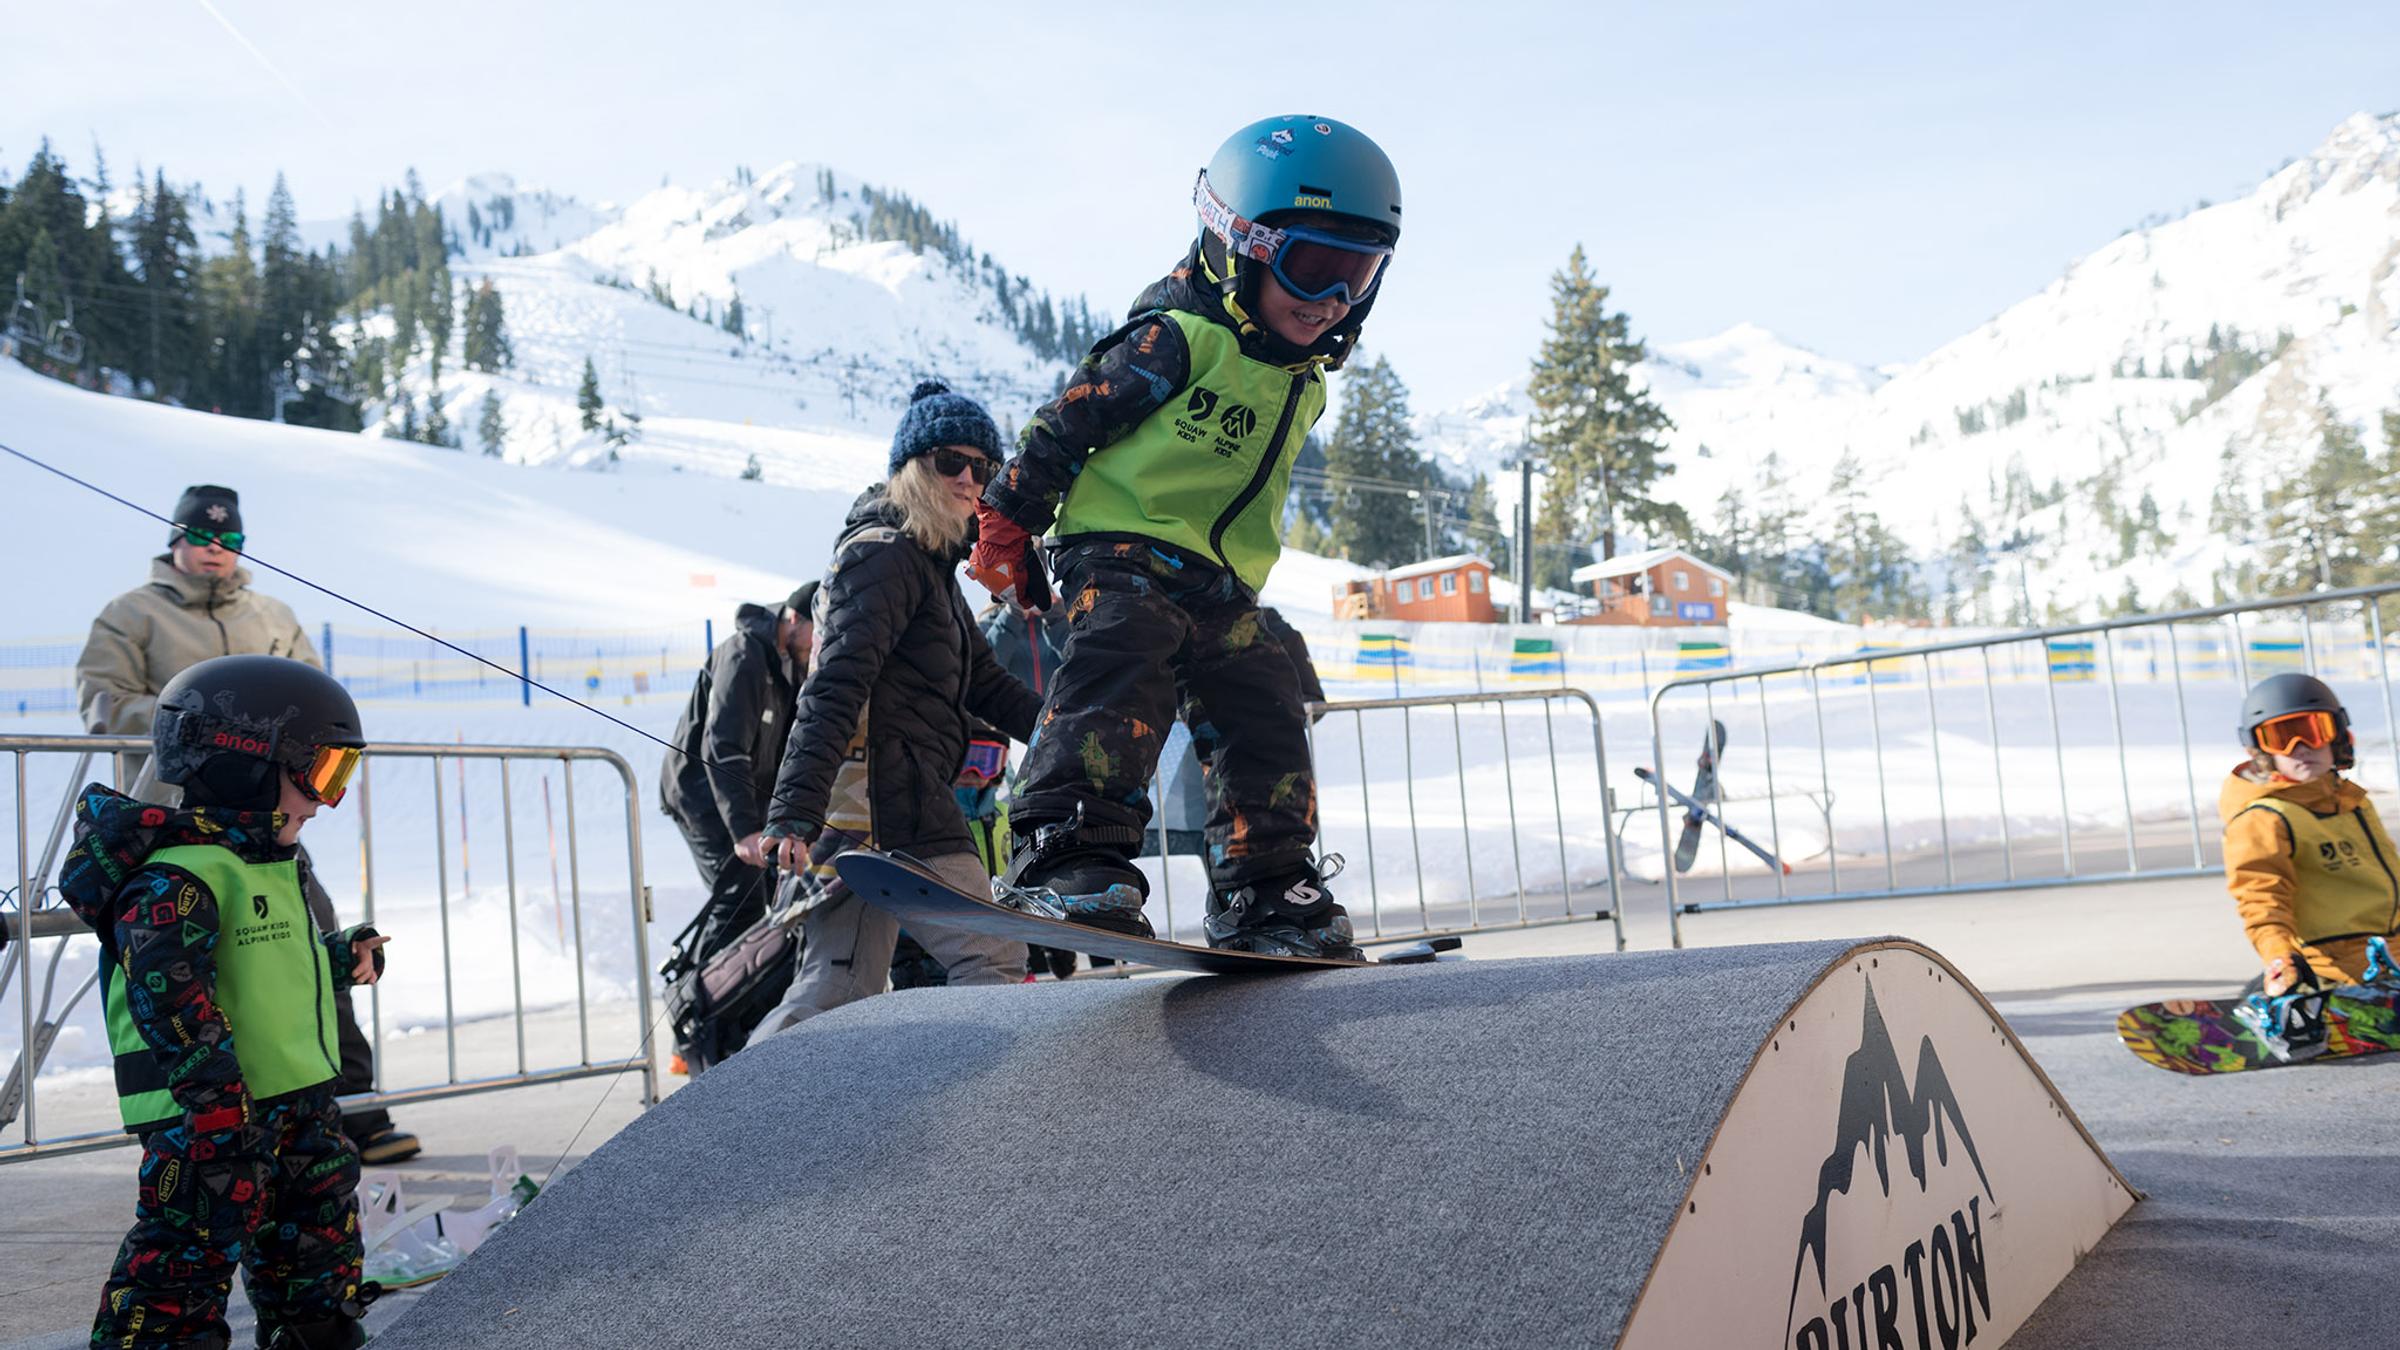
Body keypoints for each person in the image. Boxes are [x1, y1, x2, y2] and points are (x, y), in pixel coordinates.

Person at [969, 115, 1400, 959]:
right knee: (1125, 657)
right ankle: (1068, 846)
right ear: (1236, 243)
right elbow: (1066, 424)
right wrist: (1010, 519)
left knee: (1263, 696)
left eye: (1358, 275)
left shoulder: (1299, 379)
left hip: (1219, 581)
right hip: (1122, 549)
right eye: (1312, 268)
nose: (1331, 302)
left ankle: (1266, 881)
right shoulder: (1178, 338)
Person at [72, 483, 420, 1165]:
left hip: (265, 825)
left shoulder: (272, 613)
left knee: (310, 950)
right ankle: (206, 1122)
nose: (214, 551)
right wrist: (205, 727)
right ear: (174, 538)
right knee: (186, 974)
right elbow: (104, 702)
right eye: (201, 537)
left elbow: (311, 702)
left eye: (229, 541)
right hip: (176, 819)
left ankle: (351, 1106)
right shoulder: (131, 614)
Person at [57, 655, 387, 1350]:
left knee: (317, 1247)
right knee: (185, 1260)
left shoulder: (265, 860)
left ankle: (316, 1329)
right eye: (322, 774)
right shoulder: (178, 876)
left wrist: (340, 952)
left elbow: (260, 966)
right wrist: (215, 1104)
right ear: (246, 761)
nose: (327, 800)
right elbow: (170, 995)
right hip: (206, 1118)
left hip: (296, 1100)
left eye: (341, 777)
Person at [752, 380, 1044, 1032]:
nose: (970, 479)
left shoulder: (925, 565)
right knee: (991, 955)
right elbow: (835, 686)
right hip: (892, 807)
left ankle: (742, 1119)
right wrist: (793, 812)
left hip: (871, 808)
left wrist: (1064, 733)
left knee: (838, 987)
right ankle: (984, 1117)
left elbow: (986, 685)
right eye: (951, 462)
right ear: (912, 469)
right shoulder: (883, 556)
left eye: (984, 467)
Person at [657, 584, 815, 1069]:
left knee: (761, 900)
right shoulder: (745, 653)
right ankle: (693, 1024)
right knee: (737, 893)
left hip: (746, 802)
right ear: (792, 618)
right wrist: (745, 829)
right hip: (704, 797)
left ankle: (733, 1020)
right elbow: (721, 745)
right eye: (815, 631)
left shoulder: (790, 666)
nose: (817, 642)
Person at [2223, 673, 2400, 996]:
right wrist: (2281, 957)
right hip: (2334, 966)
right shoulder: (2264, 818)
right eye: (2282, 738)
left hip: (2389, 955)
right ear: (2262, 751)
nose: (2300, 748)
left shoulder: (2353, 803)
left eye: (2312, 731)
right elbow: (2262, 899)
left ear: (2337, 736)